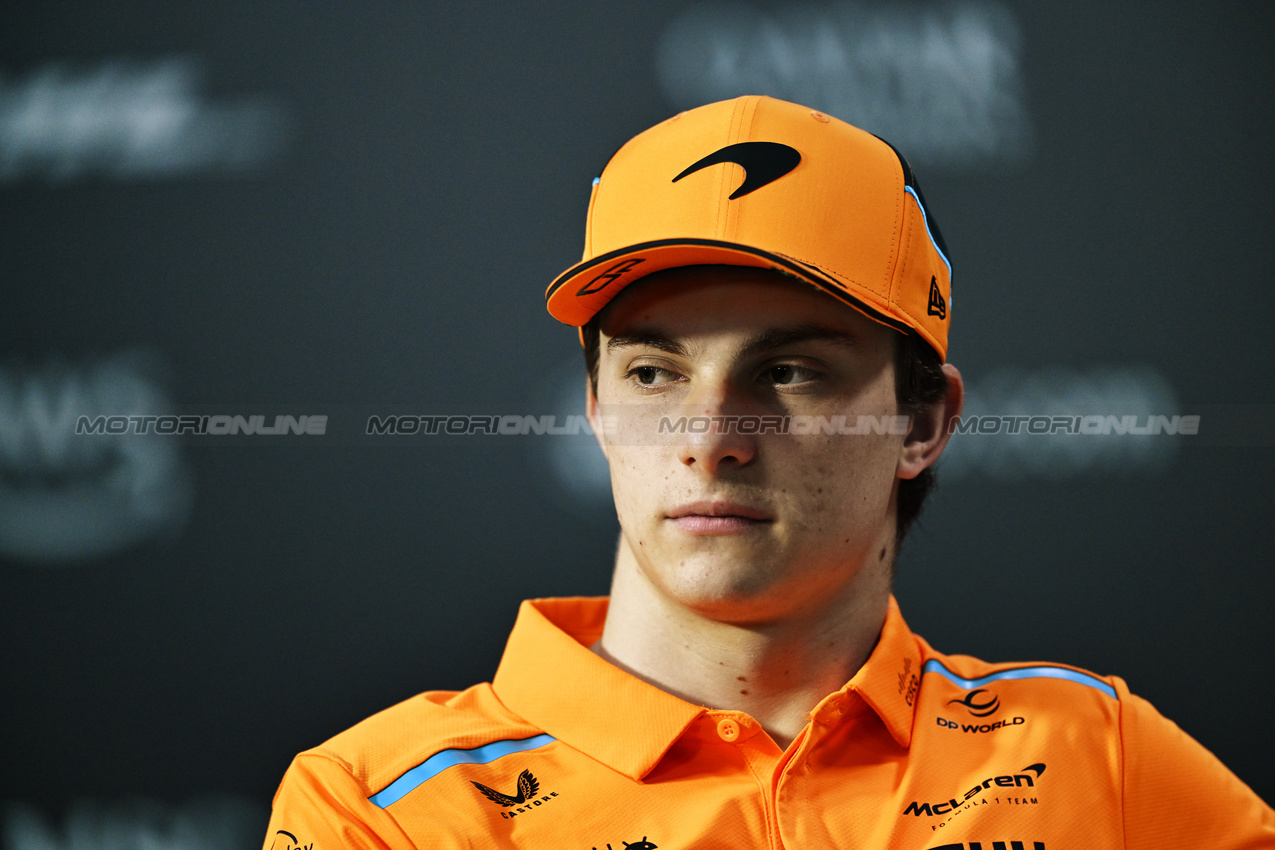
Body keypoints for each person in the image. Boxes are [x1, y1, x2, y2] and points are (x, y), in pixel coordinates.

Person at [262, 96, 1273, 849]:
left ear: (921, 420)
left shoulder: (1098, 754)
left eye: (787, 371)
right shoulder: (381, 804)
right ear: (598, 411)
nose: (711, 435)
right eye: (655, 371)